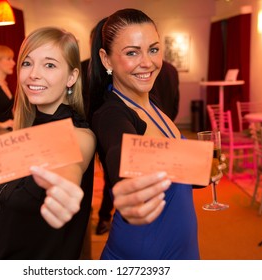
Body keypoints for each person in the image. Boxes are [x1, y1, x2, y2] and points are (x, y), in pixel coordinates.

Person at [0, 27, 96, 259]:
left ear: (72, 77)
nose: (33, 74)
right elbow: (11, 188)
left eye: (49, 65)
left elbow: (70, 167)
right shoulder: (27, 128)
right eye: (27, 63)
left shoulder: (78, 134)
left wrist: (65, 188)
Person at [88, 8, 206, 259]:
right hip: (145, 255)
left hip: (181, 247)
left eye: (153, 49)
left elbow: (171, 165)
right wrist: (127, 188)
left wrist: (206, 167)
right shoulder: (112, 113)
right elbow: (120, 151)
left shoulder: (152, 103)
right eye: (132, 52)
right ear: (106, 60)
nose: (147, 62)